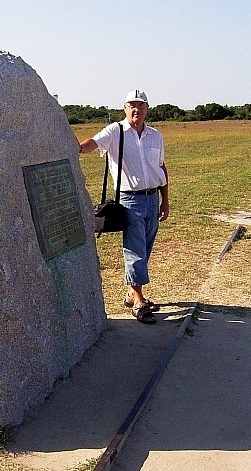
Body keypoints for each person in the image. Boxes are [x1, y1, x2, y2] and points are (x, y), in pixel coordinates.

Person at [79, 89, 169, 324]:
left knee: (145, 247)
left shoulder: (155, 136)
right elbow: (93, 143)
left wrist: (165, 200)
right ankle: (139, 301)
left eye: (141, 105)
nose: (137, 109)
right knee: (135, 249)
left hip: (152, 198)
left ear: (147, 108)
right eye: (132, 105)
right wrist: (75, 147)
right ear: (125, 108)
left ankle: (131, 292)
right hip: (130, 201)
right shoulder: (115, 131)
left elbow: (161, 168)